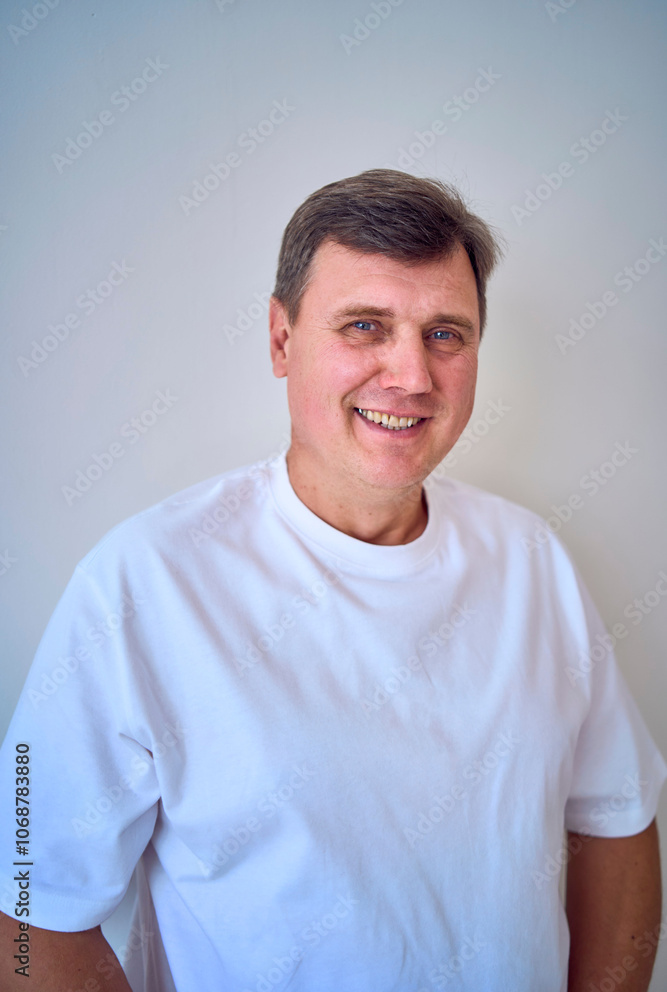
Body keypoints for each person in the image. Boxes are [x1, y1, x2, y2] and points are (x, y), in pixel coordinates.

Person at [0, 169, 665, 992]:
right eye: (364, 326)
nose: (411, 375)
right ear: (281, 340)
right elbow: (25, 904)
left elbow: (617, 819)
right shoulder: (142, 585)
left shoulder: (534, 564)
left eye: (445, 335)